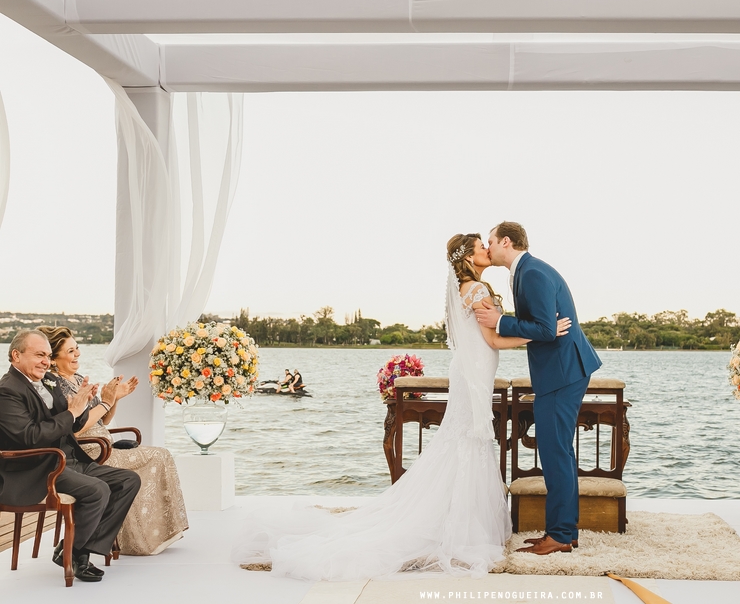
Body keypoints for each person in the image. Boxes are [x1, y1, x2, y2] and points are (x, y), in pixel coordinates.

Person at [232, 232, 570, 580]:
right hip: (475, 373)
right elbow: (495, 338)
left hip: (470, 370)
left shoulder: (462, 289)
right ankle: (461, 530)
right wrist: (546, 332)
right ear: (468, 257)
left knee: (463, 441)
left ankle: (453, 519)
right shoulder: (478, 291)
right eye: (481, 247)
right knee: (470, 440)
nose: (487, 249)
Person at [475, 221, 603, 555]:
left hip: (563, 372)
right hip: (562, 370)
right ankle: (565, 531)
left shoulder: (531, 273)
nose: (487, 248)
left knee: (554, 451)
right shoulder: (525, 271)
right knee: (558, 451)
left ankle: (560, 535)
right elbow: (545, 326)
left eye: (489, 241)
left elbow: (546, 328)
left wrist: (499, 322)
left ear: (506, 241)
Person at [0, 330, 141, 582]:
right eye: (39, 355)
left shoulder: (47, 383)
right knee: (98, 490)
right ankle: (77, 555)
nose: (45, 361)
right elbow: (30, 436)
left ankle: (77, 550)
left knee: (128, 481)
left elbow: (73, 426)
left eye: (47, 355)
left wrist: (85, 403)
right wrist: (71, 413)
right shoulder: (7, 391)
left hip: (68, 460)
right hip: (39, 468)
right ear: (16, 355)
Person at [39, 325, 189, 556]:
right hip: (89, 451)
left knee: (158, 457)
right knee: (159, 456)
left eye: (77, 348)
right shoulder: (55, 385)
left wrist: (114, 398)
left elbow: (104, 420)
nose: (77, 353)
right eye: (70, 351)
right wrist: (105, 402)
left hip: (103, 443)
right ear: (53, 358)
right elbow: (75, 430)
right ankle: (129, 539)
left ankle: (149, 534)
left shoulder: (78, 379)